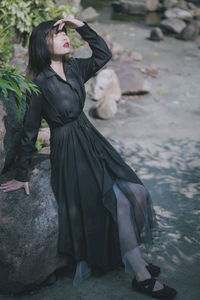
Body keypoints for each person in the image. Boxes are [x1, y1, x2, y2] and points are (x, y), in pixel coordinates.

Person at [0, 18, 177, 299]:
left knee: (139, 193)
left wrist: (80, 25)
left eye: (64, 32)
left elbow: (104, 54)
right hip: (69, 151)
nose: (64, 37)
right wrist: (22, 175)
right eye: (56, 34)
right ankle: (140, 276)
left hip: (91, 139)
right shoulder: (38, 84)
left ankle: (130, 255)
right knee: (117, 201)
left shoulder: (74, 68)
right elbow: (29, 132)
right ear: (41, 44)